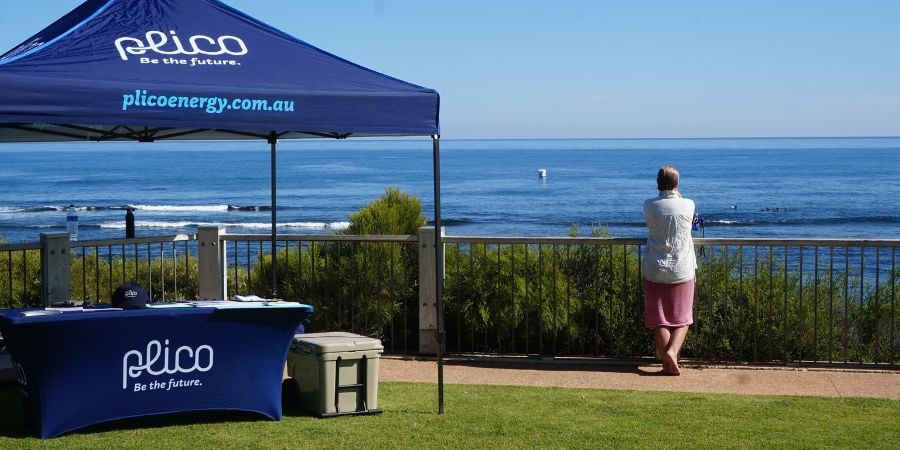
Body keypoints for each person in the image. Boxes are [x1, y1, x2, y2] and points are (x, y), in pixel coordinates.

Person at [642, 165, 697, 375]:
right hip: (682, 267)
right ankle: (672, 352)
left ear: (658, 183)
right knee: (682, 317)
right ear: (677, 183)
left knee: (659, 319)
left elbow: (651, 222)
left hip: (654, 267)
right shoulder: (688, 204)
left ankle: (667, 363)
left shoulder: (649, 205)